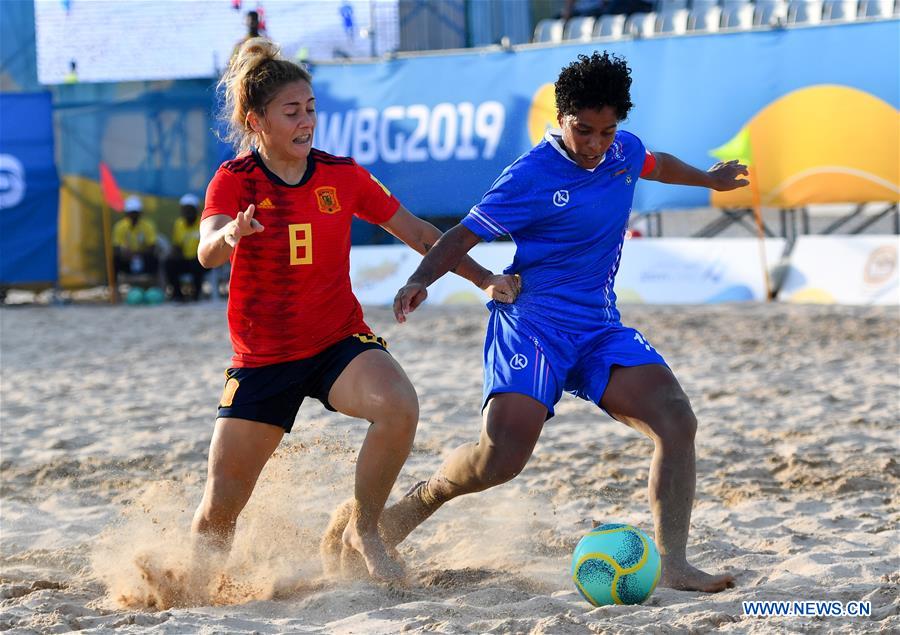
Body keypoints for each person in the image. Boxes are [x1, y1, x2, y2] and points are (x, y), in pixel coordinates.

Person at [324, 51, 749, 593]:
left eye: (607, 131)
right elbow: (460, 237)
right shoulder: (530, 174)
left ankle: (676, 562)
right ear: (561, 116)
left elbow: (658, 163)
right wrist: (420, 280)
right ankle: (401, 513)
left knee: (676, 420)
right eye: (584, 130)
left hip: (597, 328)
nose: (596, 144)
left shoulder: (622, 151)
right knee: (499, 459)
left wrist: (708, 181)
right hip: (530, 323)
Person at [187, 37, 519, 598]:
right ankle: (189, 591)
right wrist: (230, 233)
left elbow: (419, 233)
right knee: (221, 504)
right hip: (263, 358)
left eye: (311, 108)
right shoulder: (235, 180)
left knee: (399, 406)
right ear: (256, 120)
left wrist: (485, 278)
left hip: (336, 340)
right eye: (292, 111)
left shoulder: (341, 176)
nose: (306, 120)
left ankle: (366, 524)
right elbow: (206, 252)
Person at [165, 193, 206, 301]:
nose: (187, 212)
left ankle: (196, 295)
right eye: (185, 209)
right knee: (169, 263)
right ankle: (178, 295)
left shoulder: (203, 222)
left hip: (200, 260)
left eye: (190, 209)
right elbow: (177, 244)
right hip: (185, 259)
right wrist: (175, 252)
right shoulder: (179, 224)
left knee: (198, 264)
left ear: (196, 210)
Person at [112, 195, 159, 285]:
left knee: (154, 258)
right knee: (115, 259)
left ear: (140, 213)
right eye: (131, 213)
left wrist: (137, 254)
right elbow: (116, 247)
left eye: (135, 213)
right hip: (127, 260)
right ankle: (114, 289)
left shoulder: (148, 226)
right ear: (126, 213)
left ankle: (153, 285)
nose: (133, 216)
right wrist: (124, 253)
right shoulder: (119, 227)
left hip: (143, 258)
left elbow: (153, 246)